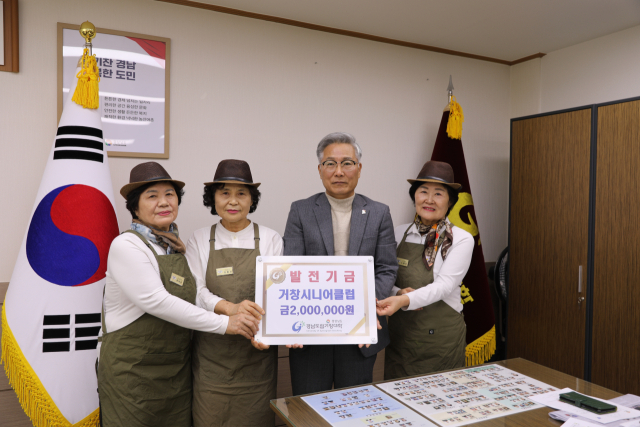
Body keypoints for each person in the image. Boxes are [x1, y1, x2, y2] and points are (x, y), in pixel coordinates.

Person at [98, 162, 259, 427]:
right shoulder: (126, 245)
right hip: (133, 373)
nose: (163, 202)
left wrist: (230, 308)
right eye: (152, 196)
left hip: (175, 373)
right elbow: (157, 301)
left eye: (169, 195)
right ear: (135, 207)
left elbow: (194, 293)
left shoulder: (172, 246)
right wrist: (226, 323)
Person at [283, 132, 398, 395]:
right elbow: (292, 267)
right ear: (320, 170)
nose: (339, 171)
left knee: (355, 409)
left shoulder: (379, 212)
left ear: (359, 168)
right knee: (310, 408)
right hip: (311, 332)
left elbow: (387, 268)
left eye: (347, 163)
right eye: (330, 164)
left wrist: (363, 310)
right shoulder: (300, 210)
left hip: (360, 331)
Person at [186, 159, 283, 427]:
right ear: (213, 199)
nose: (233, 201)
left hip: (257, 356)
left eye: (241, 193)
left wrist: (267, 335)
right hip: (212, 357)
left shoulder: (271, 238)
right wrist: (230, 308)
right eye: (224, 193)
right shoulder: (199, 238)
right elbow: (196, 291)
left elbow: (277, 296)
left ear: (252, 200)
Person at [376, 160, 473, 380]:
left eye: (439, 193)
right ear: (414, 197)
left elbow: (444, 286)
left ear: (450, 201)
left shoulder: (460, 239)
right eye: (423, 192)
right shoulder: (399, 233)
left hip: (441, 340)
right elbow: (384, 274)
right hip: (402, 338)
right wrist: (396, 293)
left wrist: (403, 301)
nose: (429, 199)